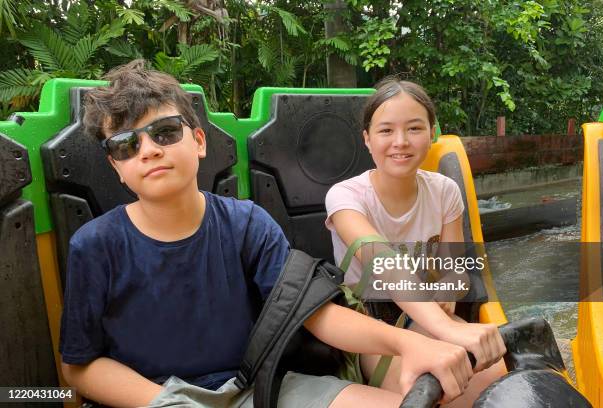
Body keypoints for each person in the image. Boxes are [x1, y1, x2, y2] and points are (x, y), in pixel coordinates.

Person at [59, 61, 474, 408]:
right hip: (153, 398)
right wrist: (166, 402)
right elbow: (78, 366)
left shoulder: (246, 224)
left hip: (257, 387)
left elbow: (314, 313)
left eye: (165, 132)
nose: (148, 150)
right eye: (125, 145)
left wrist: (405, 343)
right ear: (116, 165)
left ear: (199, 140)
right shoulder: (96, 246)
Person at [325, 78, 507, 407]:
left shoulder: (444, 191)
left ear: (432, 133)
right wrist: (446, 328)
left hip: (428, 313)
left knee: (495, 377)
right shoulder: (345, 197)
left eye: (414, 128)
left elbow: (457, 269)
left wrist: (450, 286)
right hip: (373, 326)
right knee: (432, 390)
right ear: (367, 139)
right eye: (385, 131)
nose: (400, 142)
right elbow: (385, 265)